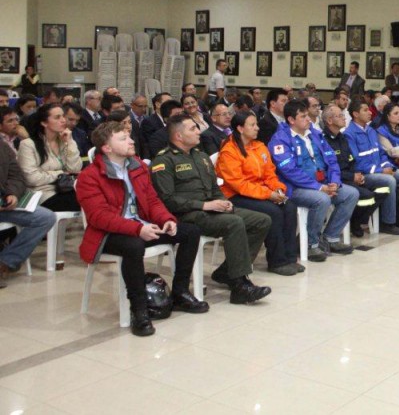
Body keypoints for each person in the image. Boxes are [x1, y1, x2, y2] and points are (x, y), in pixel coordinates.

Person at [76, 122, 207, 335]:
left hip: (140, 226)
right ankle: (139, 309)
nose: (131, 141)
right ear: (107, 148)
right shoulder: (90, 176)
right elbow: (99, 217)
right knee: (134, 246)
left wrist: (166, 219)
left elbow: (152, 200)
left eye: (129, 137)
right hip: (108, 234)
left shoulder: (137, 166)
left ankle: (180, 292)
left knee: (190, 232)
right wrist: (137, 229)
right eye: (123, 138)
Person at [150, 114, 272, 304]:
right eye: (192, 129)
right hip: (188, 215)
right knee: (234, 222)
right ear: (179, 136)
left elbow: (215, 187)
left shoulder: (201, 157)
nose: (199, 131)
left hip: (212, 209)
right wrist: (205, 205)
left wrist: (223, 201)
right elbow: (167, 200)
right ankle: (239, 285)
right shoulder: (163, 161)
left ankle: (226, 271)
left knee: (261, 220)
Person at [269, 100, 358, 258]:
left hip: (323, 183)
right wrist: (318, 187)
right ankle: (311, 244)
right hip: (295, 188)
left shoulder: (315, 134)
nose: (308, 119)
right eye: (303, 116)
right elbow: (289, 171)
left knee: (351, 194)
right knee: (321, 199)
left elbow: (331, 160)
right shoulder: (279, 140)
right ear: (291, 120)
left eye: (308, 116)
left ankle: (330, 237)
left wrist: (334, 182)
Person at [216, 112, 301, 276]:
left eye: (256, 124)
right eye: (252, 125)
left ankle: (290, 258)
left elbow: (270, 173)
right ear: (240, 128)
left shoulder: (259, 146)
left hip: (261, 191)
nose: (257, 128)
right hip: (236, 195)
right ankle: (277, 261)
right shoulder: (229, 151)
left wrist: (277, 189)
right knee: (274, 212)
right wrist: (268, 195)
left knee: (289, 206)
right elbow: (239, 184)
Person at [346, 99, 399, 231]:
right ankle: (388, 222)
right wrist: (380, 170)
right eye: (365, 110)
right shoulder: (349, 134)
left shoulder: (370, 130)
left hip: (380, 170)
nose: (370, 112)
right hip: (365, 174)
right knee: (389, 180)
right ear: (355, 114)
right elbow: (356, 161)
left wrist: (387, 166)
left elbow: (381, 153)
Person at [320, 104, 391, 237]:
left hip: (352, 176)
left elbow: (351, 160)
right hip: (338, 180)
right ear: (329, 121)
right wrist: (352, 177)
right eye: (339, 115)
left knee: (384, 188)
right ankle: (355, 222)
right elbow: (329, 168)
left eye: (342, 115)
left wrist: (357, 175)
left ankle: (358, 220)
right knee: (366, 195)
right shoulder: (324, 140)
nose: (344, 118)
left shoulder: (342, 137)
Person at [0, 139, 56, 287]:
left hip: (4, 203)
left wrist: (13, 194)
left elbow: (16, 176)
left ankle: (5, 262)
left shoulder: (3, 146)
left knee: (45, 217)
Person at [18, 103, 83, 212]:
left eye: (63, 116)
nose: (63, 120)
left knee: (95, 196)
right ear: (44, 122)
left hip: (66, 188)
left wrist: (70, 142)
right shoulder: (28, 144)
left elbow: (75, 169)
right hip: (42, 193)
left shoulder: (64, 141)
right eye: (57, 117)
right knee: (85, 201)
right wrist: (59, 173)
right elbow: (32, 178)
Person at [139, 92, 172, 159]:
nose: (171, 105)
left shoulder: (172, 120)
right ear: (157, 104)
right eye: (168, 102)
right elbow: (149, 145)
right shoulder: (149, 122)